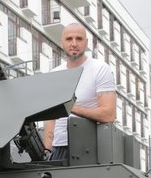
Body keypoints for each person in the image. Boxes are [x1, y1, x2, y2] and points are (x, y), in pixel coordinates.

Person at [43, 23, 116, 161]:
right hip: (58, 148)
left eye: (79, 39)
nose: (74, 43)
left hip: (88, 146)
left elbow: (109, 114)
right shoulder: (54, 74)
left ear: (86, 43)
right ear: (62, 43)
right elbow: (50, 119)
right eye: (69, 39)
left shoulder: (100, 69)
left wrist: (70, 107)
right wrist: (46, 151)